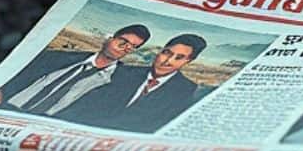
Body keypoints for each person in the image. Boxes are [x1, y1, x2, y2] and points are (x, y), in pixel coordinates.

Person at [0, 24, 151, 117]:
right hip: (3, 107)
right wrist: (1, 89)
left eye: (132, 47)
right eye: (123, 42)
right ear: (110, 38)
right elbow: (22, 73)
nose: (125, 48)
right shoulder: (57, 57)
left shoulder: (119, 83)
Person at [62, 33, 208, 132]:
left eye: (179, 57)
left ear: (188, 61)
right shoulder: (124, 72)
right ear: (160, 51)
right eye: (166, 53)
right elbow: (87, 104)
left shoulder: (186, 89)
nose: (168, 62)